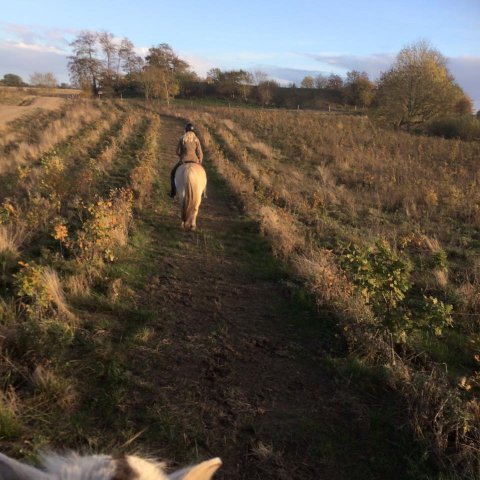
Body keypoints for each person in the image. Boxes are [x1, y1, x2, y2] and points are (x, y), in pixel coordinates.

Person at [169, 122, 203, 198]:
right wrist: (199, 161)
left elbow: (177, 151)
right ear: (193, 131)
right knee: (202, 175)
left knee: (172, 174)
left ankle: (173, 193)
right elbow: (200, 153)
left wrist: (181, 156)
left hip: (184, 160)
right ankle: (203, 192)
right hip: (195, 161)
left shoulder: (182, 138)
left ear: (186, 130)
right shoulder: (196, 140)